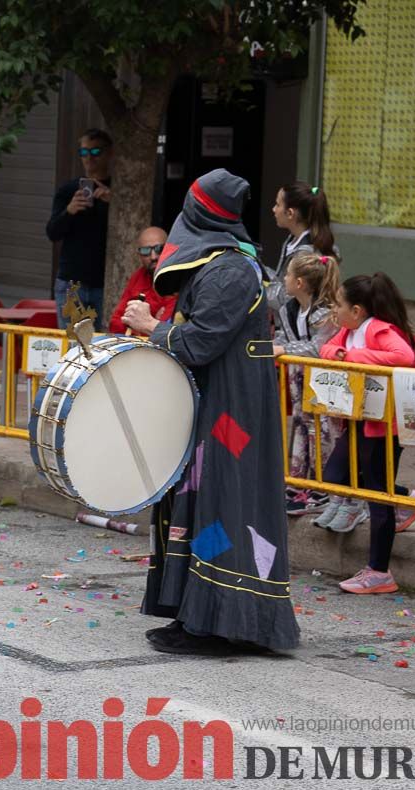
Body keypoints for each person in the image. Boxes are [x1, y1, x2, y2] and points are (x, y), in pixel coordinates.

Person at [122, 168, 299, 655]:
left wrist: (151, 325)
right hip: (216, 403)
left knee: (225, 502)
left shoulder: (231, 270)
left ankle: (227, 624)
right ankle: (195, 615)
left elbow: (200, 341)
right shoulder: (224, 263)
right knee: (198, 504)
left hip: (231, 411)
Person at [316, 273, 415, 594]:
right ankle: (405, 499)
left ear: (358, 310)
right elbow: (325, 350)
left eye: (338, 304)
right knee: (335, 475)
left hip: (383, 425)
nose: (334, 309)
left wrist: (351, 357)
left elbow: (404, 356)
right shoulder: (347, 332)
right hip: (357, 418)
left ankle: (379, 572)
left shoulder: (377, 330)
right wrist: (338, 353)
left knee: (377, 495)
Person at [272, 253, 343, 517]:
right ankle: (299, 483)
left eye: (288, 275)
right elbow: (282, 336)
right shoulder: (289, 309)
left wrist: (282, 348)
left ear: (300, 282)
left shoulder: (327, 314)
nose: (285, 280)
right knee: (302, 427)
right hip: (298, 380)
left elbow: (317, 348)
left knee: (324, 430)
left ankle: (323, 486)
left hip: (324, 384)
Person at [46, 128, 113, 328]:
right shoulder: (68, 190)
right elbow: (52, 232)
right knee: (75, 347)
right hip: (72, 282)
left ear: (110, 153)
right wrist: (70, 210)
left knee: (104, 347)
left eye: (95, 152)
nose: (89, 158)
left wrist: (113, 203)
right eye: (84, 152)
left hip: (106, 282)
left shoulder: (120, 190)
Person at [266, 181, 337, 316]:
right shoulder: (292, 240)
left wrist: (258, 278)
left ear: (290, 213)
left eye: (278, 204)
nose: (274, 209)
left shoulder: (306, 253)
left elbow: (288, 297)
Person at [107, 226, 174, 333]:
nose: (153, 257)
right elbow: (115, 323)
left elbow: (167, 328)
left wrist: (140, 323)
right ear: (138, 254)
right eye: (146, 251)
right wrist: (151, 321)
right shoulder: (138, 276)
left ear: (169, 249)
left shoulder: (178, 279)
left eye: (159, 249)